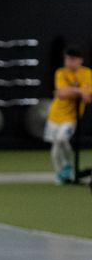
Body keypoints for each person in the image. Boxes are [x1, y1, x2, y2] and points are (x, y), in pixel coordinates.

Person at [46, 45, 89, 183]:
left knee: (62, 139)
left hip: (71, 116)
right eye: (67, 59)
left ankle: (67, 167)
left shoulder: (87, 73)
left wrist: (69, 91)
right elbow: (62, 94)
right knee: (55, 146)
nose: (69, 62)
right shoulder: (60, 72)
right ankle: (61, 173)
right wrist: (78, 91)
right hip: (55, 114)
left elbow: (87, 97)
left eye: (72, 59)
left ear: (80, 60)